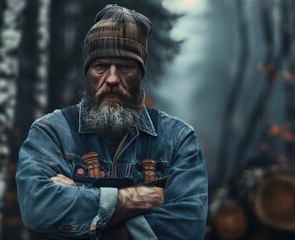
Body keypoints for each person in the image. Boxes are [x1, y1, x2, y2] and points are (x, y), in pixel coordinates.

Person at [16, 4, 208, 240]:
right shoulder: (51, 133)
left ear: (141, 74)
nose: (113, 78)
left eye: (125, 67)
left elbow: (188, 228)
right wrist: (132, 199)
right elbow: (38, 211)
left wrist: (85, 214)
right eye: (101, 66)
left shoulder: (178, 139)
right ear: (88, 74)